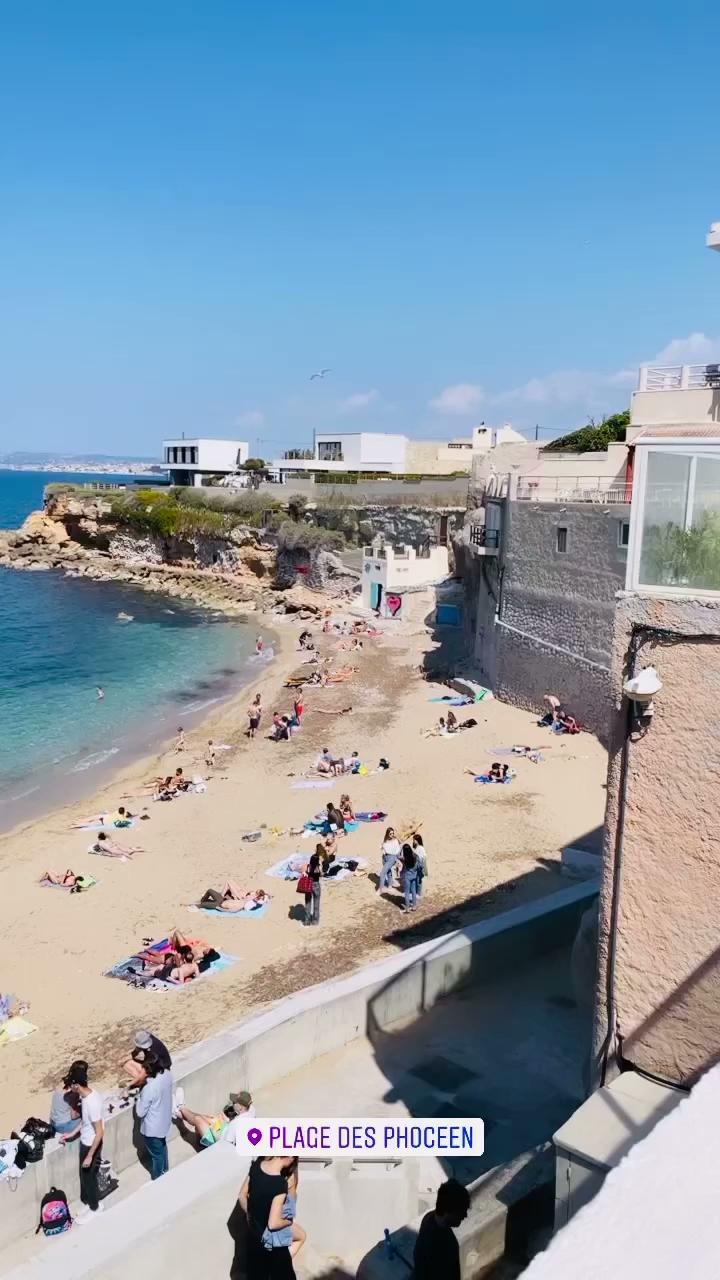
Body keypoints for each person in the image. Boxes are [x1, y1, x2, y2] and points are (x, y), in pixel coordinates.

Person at [58, 1062, 105, 1222]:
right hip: (85, 1142)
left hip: (91, 1145)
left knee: (89, 1178)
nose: (70, 1088)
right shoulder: (86, 1097)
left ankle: (95, 1208)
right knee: (85, 1177)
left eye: (71, 1085)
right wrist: (70, 1134)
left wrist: (90, 1155)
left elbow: (99, 1132)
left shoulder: (91, 1102)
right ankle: (90, 1202)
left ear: (76, 1085)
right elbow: (85, 1122)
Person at [240, 1154, 298, 1278]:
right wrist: (288, 1222)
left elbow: (242, 1196)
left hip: (253, 1238)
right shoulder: (279, 1184)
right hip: (272, 1243)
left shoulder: (256, 1165)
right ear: (290, 1157)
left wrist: (251, 1217)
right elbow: (273, 1223)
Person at [413, 1178, 470, 1280]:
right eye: (461, 1212)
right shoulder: (434, 1243)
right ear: (448, 1211)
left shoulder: (430, 1218)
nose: (465, 1216)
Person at [135, 1051, 173, 1179]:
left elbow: (140, 1112)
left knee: (156, 1156)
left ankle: (158, 1180)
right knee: (162, 1150)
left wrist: (138, 1096)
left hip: (152, 1128)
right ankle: (165, 1171)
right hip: (164, 1122)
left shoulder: (149, 1088)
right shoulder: (167, 1075)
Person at [262, 1157, 306, 1259]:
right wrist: (287, 1222)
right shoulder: (288, 1179)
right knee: (301, 1236)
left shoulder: (265, 1172)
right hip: (275, 1224)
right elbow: (273, 1223)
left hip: (263, 1221)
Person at [49, 1062, 85, 1136]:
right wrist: (83, 1110)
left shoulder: (61, 1082)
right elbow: (73, 1116)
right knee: (89, 1118)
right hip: (63, 1126)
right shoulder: (74, 1090)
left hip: (52, 1122)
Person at [378, 826, 401, 893]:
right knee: (388, 872)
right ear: (387, 833)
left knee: (382, 873)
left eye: (393, 833)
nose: (392, 835)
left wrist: (394, 857)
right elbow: (381, 847)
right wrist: (383, 848)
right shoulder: (385, 840)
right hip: (385, 857)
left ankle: (380, 889)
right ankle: (390, 886)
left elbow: (398, 850)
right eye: (390, 833)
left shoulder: (395, 840)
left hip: (391, 857)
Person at [304, 851, 322, 926]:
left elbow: (305, 873)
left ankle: (307, 921)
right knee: (316, 903)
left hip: (309, 884)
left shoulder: (308, 867)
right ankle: (315, 921)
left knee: (308, 903)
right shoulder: (318, 868)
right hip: (316, 884)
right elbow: (322, 874)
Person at [400, 844, 418, 912]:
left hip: (407, 877)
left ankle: (407, 908)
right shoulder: (415, 856)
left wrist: (401, 848)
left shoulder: (404, 859)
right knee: (413, 891)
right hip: (414, 876)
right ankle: (414, 906)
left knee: (407, 893)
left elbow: (397, 855)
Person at [412, 832, 427, 898]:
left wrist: (422, 867)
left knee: (418, 880)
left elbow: (423, 857)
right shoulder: (417, 848)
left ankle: (418, 894)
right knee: (416, 880)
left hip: (419, 865)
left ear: (417, 840)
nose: (413, 841)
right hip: (415, 865)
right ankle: (416, 893)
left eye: (414, 840)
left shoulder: (421, 848)